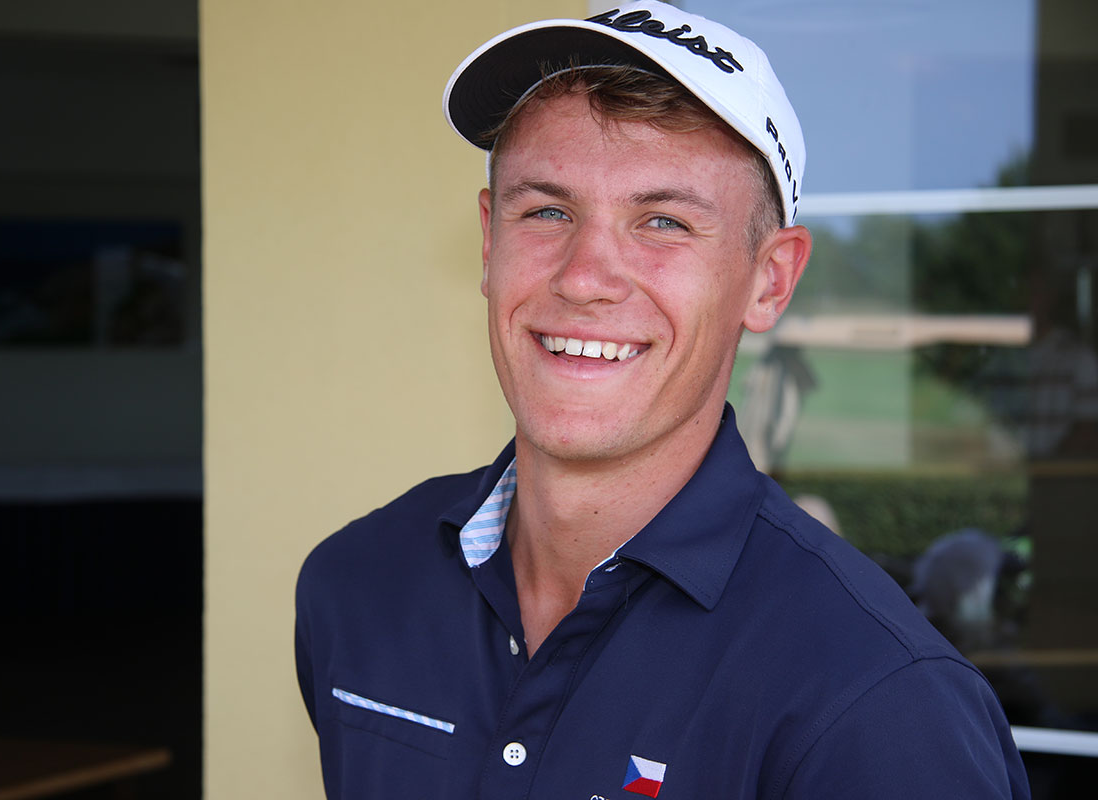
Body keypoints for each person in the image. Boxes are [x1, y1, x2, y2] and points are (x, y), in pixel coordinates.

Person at [294, 2, 1031, 797]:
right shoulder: (359, 584)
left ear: (770, 280)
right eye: (547, 211)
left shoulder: (880, 701)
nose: (584, 278)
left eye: (663, 222)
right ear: (488, 240)